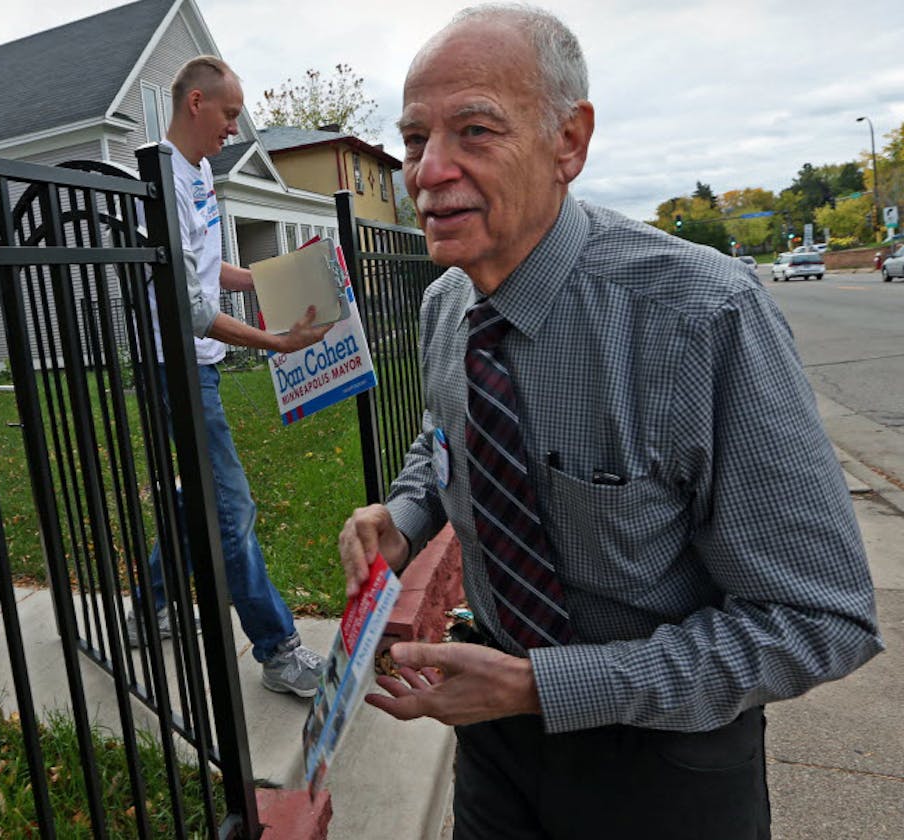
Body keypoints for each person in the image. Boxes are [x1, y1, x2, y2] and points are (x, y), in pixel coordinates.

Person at [335, 6, 883, 837]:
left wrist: (540, 686)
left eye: (475, 131)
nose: (428, 171)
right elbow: (445, 432)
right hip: (492, 736)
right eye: (415, 140)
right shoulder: (446, 301)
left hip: (665, 763)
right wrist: (403, 517)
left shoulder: (703, 316)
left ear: (569, 143)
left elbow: (821, 620)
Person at [129, 55, 331, 697]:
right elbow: (189, 309)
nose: (234, 130)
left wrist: (278, 276)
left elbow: (210, 270)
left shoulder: (197, 175)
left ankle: (148, 611)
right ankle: (278, 652)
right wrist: (277, 342)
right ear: (195, 102)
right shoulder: (161, 177)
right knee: (232, 508)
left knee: (200, 501)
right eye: (229, 115)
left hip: (202, 371)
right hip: (176, 370)